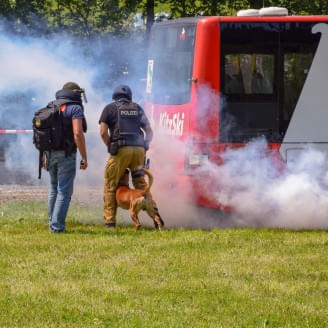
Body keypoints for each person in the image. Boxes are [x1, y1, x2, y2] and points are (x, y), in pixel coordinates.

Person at [99, 84, 163, 228]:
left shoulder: (109, 108)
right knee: (141, 184)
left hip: (121, 150)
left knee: (111, 185)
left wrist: (110, 146)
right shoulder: (137, 108)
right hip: (139, 150)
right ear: (129, 96)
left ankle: (110, 222)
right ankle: (156, 215)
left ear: (114, 96)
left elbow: (103, 132)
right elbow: (149, 131)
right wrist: (144, 146)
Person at [45, 82, 88, 233]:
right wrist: (84, 156)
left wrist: (44, 155)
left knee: (53, 189)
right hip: (67, 154)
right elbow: (77, 133)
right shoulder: (75, 108)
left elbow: (45, 134)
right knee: (64, 191)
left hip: (50, 153)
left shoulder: (51, 106)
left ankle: (52, 223)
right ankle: (57, 228)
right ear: (75, 93)